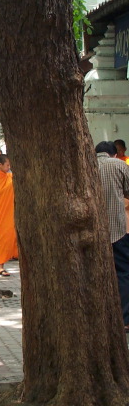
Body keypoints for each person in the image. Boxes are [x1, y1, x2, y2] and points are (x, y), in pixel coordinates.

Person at [95, 141, 129, 332]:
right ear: (114, 154)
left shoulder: (86, 165)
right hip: (117, 230)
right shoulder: (118, 165)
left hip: (93, 232)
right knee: (123, 272)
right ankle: (124, 319)